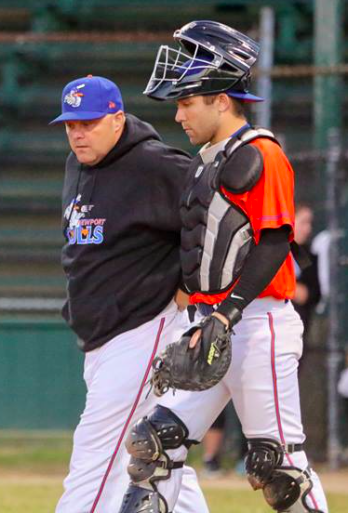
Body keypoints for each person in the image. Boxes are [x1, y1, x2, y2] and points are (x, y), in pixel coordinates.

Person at [118, 21, 328, 513]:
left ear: (221, 99)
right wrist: (199, 317)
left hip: (257, 324)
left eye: (188, 101)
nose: (179, 114)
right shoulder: (209, 158)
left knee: (279, 467)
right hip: (210, 324)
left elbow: (276, 242)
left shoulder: (262, 153)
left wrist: (225, 314)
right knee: (155, 444)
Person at [49, 75, 209, 513]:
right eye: (70, 124)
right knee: (153, 456)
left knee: (95, 461)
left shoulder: (155, 165)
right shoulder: (77, 163)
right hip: (102, 338)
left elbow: (218, 216)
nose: (78, 132)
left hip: (142, 329)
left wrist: (187, 287)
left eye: (89, 122)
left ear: (118, 119)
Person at [292, 203, 321, 337]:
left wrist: (306, 293)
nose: (308, 229)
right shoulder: (272, 249)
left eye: (310, 223)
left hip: (298, 325)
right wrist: (290, 289)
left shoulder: (304, 254)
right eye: (303, 222)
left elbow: (313, 292)